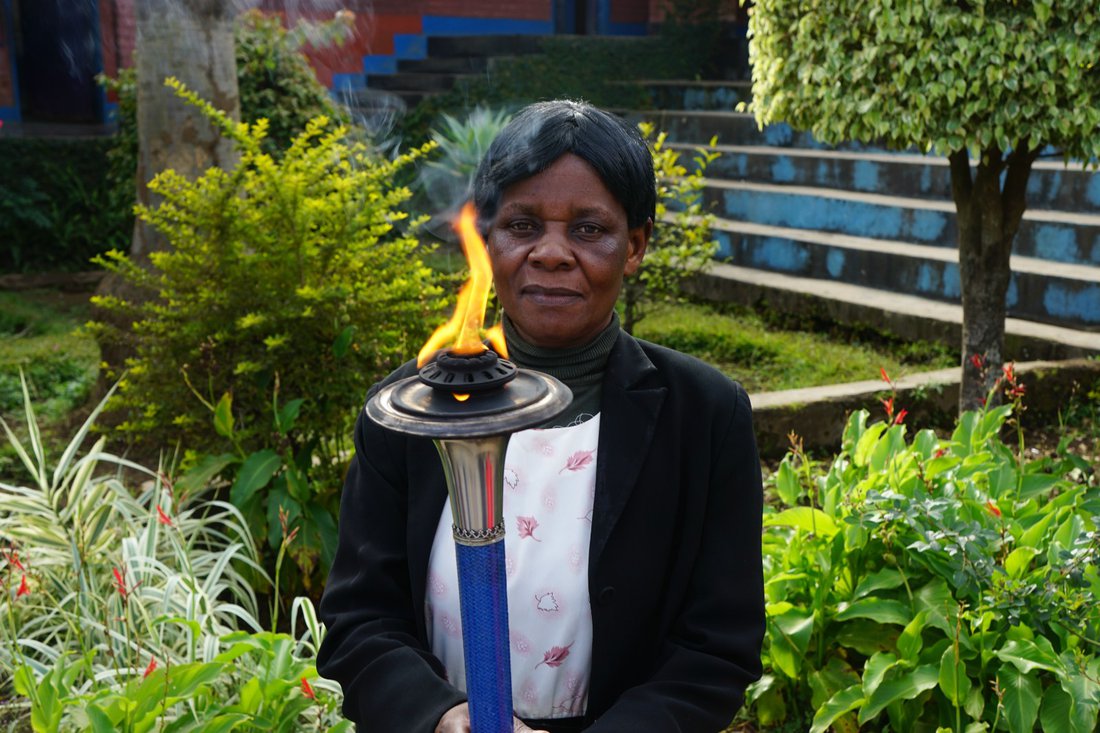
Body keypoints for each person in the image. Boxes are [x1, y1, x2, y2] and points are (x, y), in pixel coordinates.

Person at [317, 100, 765, 733]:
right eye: (523, 225)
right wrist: (440, 716)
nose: (552, 253)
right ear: (486, 239)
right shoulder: (407, 414)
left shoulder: (704, 416)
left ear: (634, 246)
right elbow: (359, 620)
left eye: (589, 229)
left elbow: (717, 648)